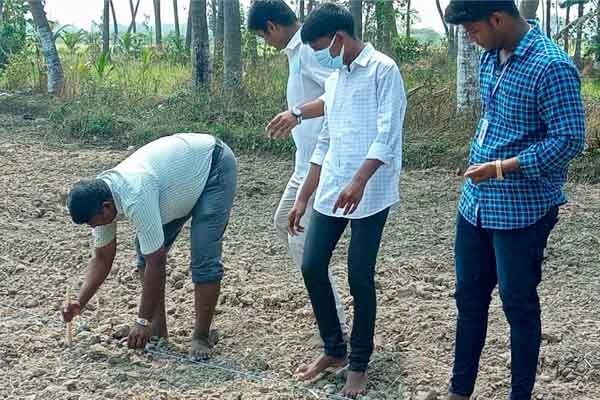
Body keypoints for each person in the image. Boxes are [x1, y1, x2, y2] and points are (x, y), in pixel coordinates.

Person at [443, 1, 586, 399]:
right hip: (476, 203)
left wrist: (503, 167)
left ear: (497, 19)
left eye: (473, 31)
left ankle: (519, 394)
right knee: (469, 297)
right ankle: (460, 390)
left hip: (522, 210)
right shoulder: (492, 56)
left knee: (517, 302)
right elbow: (496, 118)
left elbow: (569, 139)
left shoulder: (551, 66)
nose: (470, 41)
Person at [287, 4, 406, 398]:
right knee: (312, 263)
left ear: (339, 37)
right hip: (333, 185)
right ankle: (334, 350)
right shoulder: (336, 78)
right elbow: (326, 140)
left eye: (321, 47)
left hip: (370, 191)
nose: (321, 56)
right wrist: (304, 196)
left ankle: (359, 362)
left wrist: (359, 180)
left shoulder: (384, 70)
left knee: (359, 275)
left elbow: (387, 135)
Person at [62, 133, 237, 360]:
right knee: (144, 252)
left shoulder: (134, 196)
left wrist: (141, 320)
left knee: (203, 258)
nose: (92, 228)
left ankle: (201, 337)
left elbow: (157, 261)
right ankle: (157, 330)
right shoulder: (99, 196)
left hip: (213, 165)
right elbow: (102, 258)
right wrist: (79, 302)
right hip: (176, 183)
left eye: (92, 223)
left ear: (106, 208)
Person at [247, 0, 347, 339]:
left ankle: (332, 319)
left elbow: (340, 92)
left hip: (320, 163)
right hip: (303, 161)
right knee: (286, 224)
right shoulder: (298, 52)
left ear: (272, 27)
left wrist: (297, 113)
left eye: (263, 36)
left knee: (305, 243)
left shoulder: (310, 50)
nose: (266, 43)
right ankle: (321, 297)